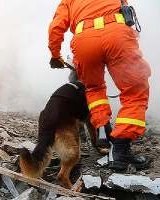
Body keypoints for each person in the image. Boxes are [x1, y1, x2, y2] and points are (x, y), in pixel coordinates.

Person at [48, 0, 151, 171]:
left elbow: (56, 26)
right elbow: (126, 13)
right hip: (117, 35)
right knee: (135, 92)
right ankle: (121, 150)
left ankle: (103, 129)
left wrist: (55, 54)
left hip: (84, 41)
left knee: (94, 89)